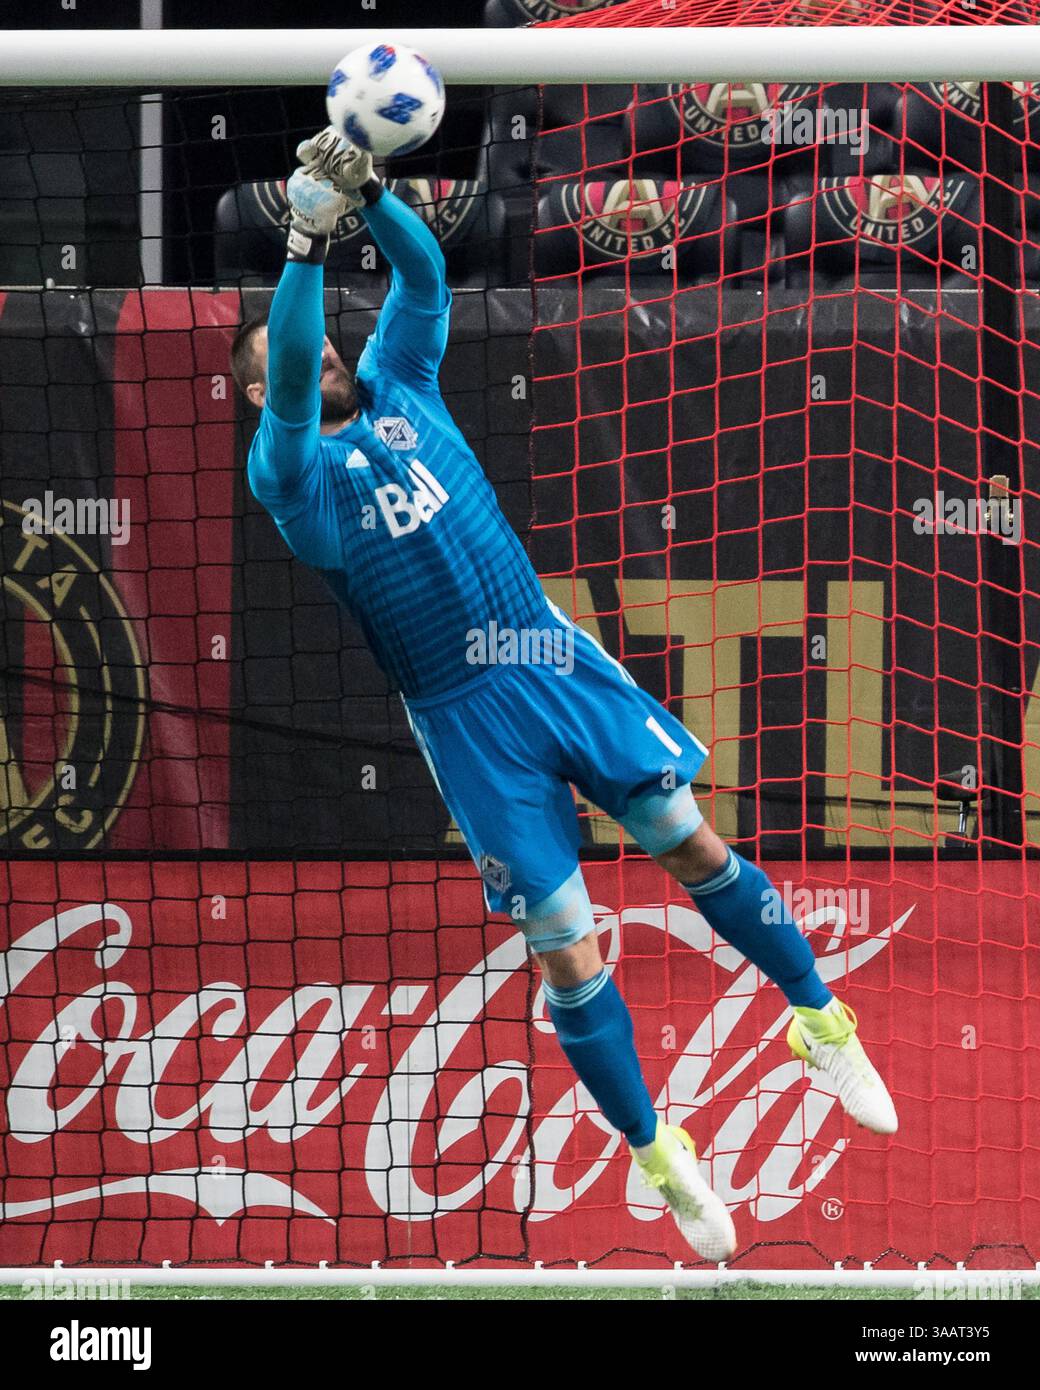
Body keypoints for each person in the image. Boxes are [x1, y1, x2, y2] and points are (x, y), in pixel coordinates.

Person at [231, 127, 897, 1262]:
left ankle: (815, 1016)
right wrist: (299, 244)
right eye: (282, 365)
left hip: (543, 652)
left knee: (685, 838)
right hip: (462, 714)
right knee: (565, 942)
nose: (318, 361)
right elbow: (290, 380)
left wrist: (372, 194)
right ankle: (656, 1149)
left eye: (321, 349)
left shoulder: (402, 382)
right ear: (252, 393)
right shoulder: (288, 474)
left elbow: (426, 278)